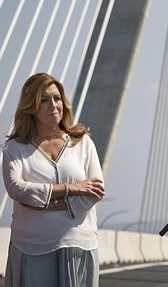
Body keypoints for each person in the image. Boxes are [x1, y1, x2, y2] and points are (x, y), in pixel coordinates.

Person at [2, 72, 106, 287]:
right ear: (31, 106)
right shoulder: (15, 147)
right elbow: (17, 189)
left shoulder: (82, 143)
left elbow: (96, 190)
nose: (53, 105)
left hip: (78, 242)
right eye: (44, 100)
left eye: (57, 98)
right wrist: (73, 188)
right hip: (31, 245)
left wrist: (40, 203)